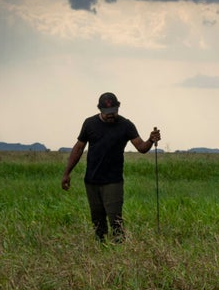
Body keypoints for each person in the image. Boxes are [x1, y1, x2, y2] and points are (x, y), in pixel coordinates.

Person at [61, 92, 161, 241]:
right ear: (99, 109)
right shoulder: (89, 124)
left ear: (118, 107)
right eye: (107, 112)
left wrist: (151, 140)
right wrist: (66, 173)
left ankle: (119, 250)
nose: (110, 115)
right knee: (97, 221)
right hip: (91, 181)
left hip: (113, 181)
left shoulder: (126, 125)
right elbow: (78, 148)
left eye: (113, 111)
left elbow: (141, 147)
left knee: (115, 220)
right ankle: (101, 250)